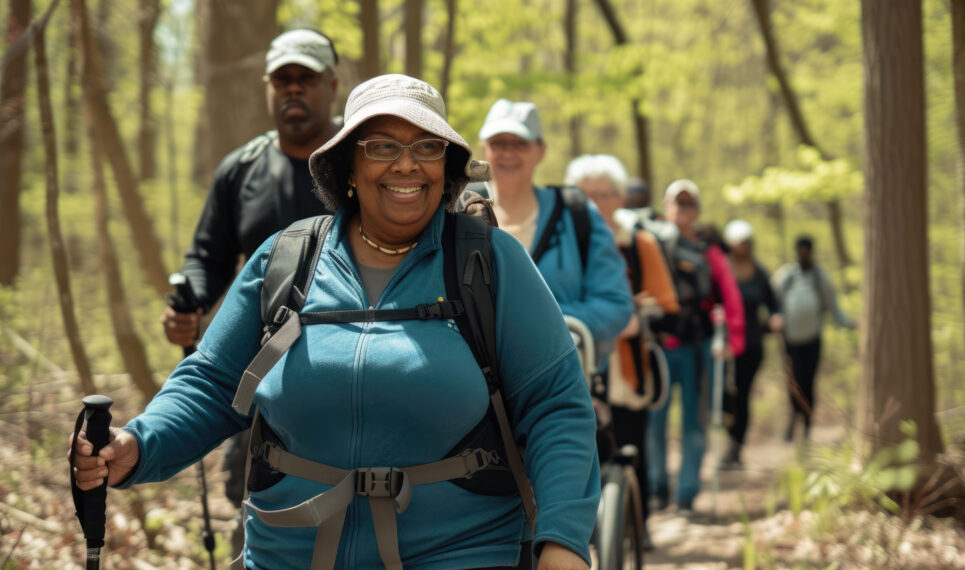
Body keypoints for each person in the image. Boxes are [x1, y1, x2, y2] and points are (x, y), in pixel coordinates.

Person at [72, 75, 598, 569]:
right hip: (289, 552)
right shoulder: (288, 260)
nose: (407, 164)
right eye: (382, 146)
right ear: (348, 165)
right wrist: (140, 444)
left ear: (447, 165)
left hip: (459, 551)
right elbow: (212, 384)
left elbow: (556, 406)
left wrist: (563, 540)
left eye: (426, 146)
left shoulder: (489, 263)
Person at [158, 28, 341, 534]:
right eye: (283, 80)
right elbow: (207, 259)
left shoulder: (363, 160)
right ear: (268, 87)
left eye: (306, 78)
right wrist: (188, 302)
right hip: (260, 379)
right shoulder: (240, 171)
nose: (294, 89)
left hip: (353, 370)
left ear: (333, 82)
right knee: (257, 517)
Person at [566, 154, 679, 530]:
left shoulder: (640, 243)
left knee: (632, 449)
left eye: (606, 193)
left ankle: (637, 526)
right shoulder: (563, 242)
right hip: (575, 366)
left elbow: (667, 305)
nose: (597, 201)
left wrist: (633, 315)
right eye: (587, 193)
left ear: (620, 198)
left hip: (628, 372)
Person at [478, 99, 632, 363]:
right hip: (478, 391)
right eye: (498, 143)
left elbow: (615, 305)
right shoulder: (462, 214)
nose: (508, 153)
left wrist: (540, 321)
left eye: (520, 143)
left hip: (561, 381)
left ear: (541, 151)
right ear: (484, 148)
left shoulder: (576, 214)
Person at [644, 178, 745, 513]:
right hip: (658, 345)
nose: (682, 209)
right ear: (667, 204)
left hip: (697, 347)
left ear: (697, 209)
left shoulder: (709, 251)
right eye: (677, 202)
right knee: (653, 420)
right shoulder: (648, 241)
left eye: (688, 204)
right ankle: (657, 485)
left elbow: (730, 295)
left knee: (694, 421)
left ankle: (686, 491)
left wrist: (733, 338)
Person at [773, 235, 855, 442]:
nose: (803, 255)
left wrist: (850, 323)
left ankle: (807, 425)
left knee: (808, 382)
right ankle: (793, 419)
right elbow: (773, 302)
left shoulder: (820, 278)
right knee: (794, 382)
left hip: (812, 341)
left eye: (806, 251)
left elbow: (834, 309)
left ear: (811, 252)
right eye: (799, 251)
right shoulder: (786, 277)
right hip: (790, 341)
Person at [719, 219, 782, 468]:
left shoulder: (760, 273)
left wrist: (776, 317)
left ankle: (736, 447)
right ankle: (728, 436)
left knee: (743, 395)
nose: (743, 247)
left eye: (746, 242)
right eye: (738, 242)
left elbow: (773, 303)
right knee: (725, 397)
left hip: (752, 345)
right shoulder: (722, 270)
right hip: (724, 346)